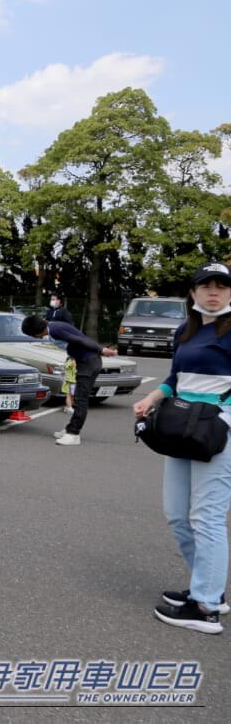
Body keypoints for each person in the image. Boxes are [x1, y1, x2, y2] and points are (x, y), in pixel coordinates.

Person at [132, 262, 231, 634]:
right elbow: (175, 378)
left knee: (207, 517)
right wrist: (152, 399)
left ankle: (206, 605)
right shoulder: (185, 330)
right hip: (183, 427)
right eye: (206, 285)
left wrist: (226, 418)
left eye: (222, 286)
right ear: (192, 293)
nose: (214, 292)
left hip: (218, 431)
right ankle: (207, 586)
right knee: (177, 514)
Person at [21, 313, 117, 445]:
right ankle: (69, 429)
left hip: (89, 362)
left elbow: (79, 340)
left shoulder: (55, 330)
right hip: (86, 361)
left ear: (36, 334)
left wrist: (101, 349)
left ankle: (73, 434)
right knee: (78, 398)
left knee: (80, 399)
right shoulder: (54, 326)